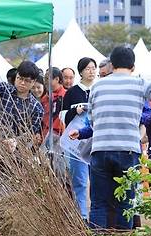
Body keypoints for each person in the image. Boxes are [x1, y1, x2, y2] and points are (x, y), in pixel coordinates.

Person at [83, 46, 151, 229]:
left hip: (100, 150)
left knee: (98, 204)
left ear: (111, 65)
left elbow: (92, 120)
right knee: (126, 205)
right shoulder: (140, 83)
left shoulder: (97, 86)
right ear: (133, 67)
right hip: (128, 151)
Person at [0, 55, 44, 140]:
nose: (22, 83)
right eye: (19, 78)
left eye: (26, 81)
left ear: (33, 82)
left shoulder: (37, 108)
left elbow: (31, 132)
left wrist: (15, 141)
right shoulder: (5, 89)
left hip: (17, 148)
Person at [61, 57, 96, 220]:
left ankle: (96, 215)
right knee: (80, 180)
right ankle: (81, 215)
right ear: (81, 71)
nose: (92, 71)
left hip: (96, 142)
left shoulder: (98, 89)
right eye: (88, 68)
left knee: (97, 181)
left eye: (93, 68)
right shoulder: (72, 92)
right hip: (76, 142)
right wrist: (76, 111)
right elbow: (63, 117)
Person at [41, 67, 66, 140]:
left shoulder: (66, 95)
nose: (45, 81)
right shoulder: (44, 98)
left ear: (57, 79)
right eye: (44, 78)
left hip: (61, 135)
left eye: (47, 78)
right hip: (45, 136)